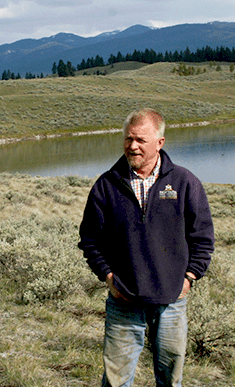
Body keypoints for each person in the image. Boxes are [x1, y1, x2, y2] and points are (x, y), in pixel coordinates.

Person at [78, 108, 215, 387]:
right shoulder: (107, 185)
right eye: (128, 139)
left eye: (141, 140)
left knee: (170, 380)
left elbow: (202, 237)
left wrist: (189, 278)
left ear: (160, 143)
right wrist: (108, 277)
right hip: (124, 300)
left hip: (171, 300)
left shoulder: (184, 182)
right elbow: (90, 239)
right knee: (116, 381)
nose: (133, 146)